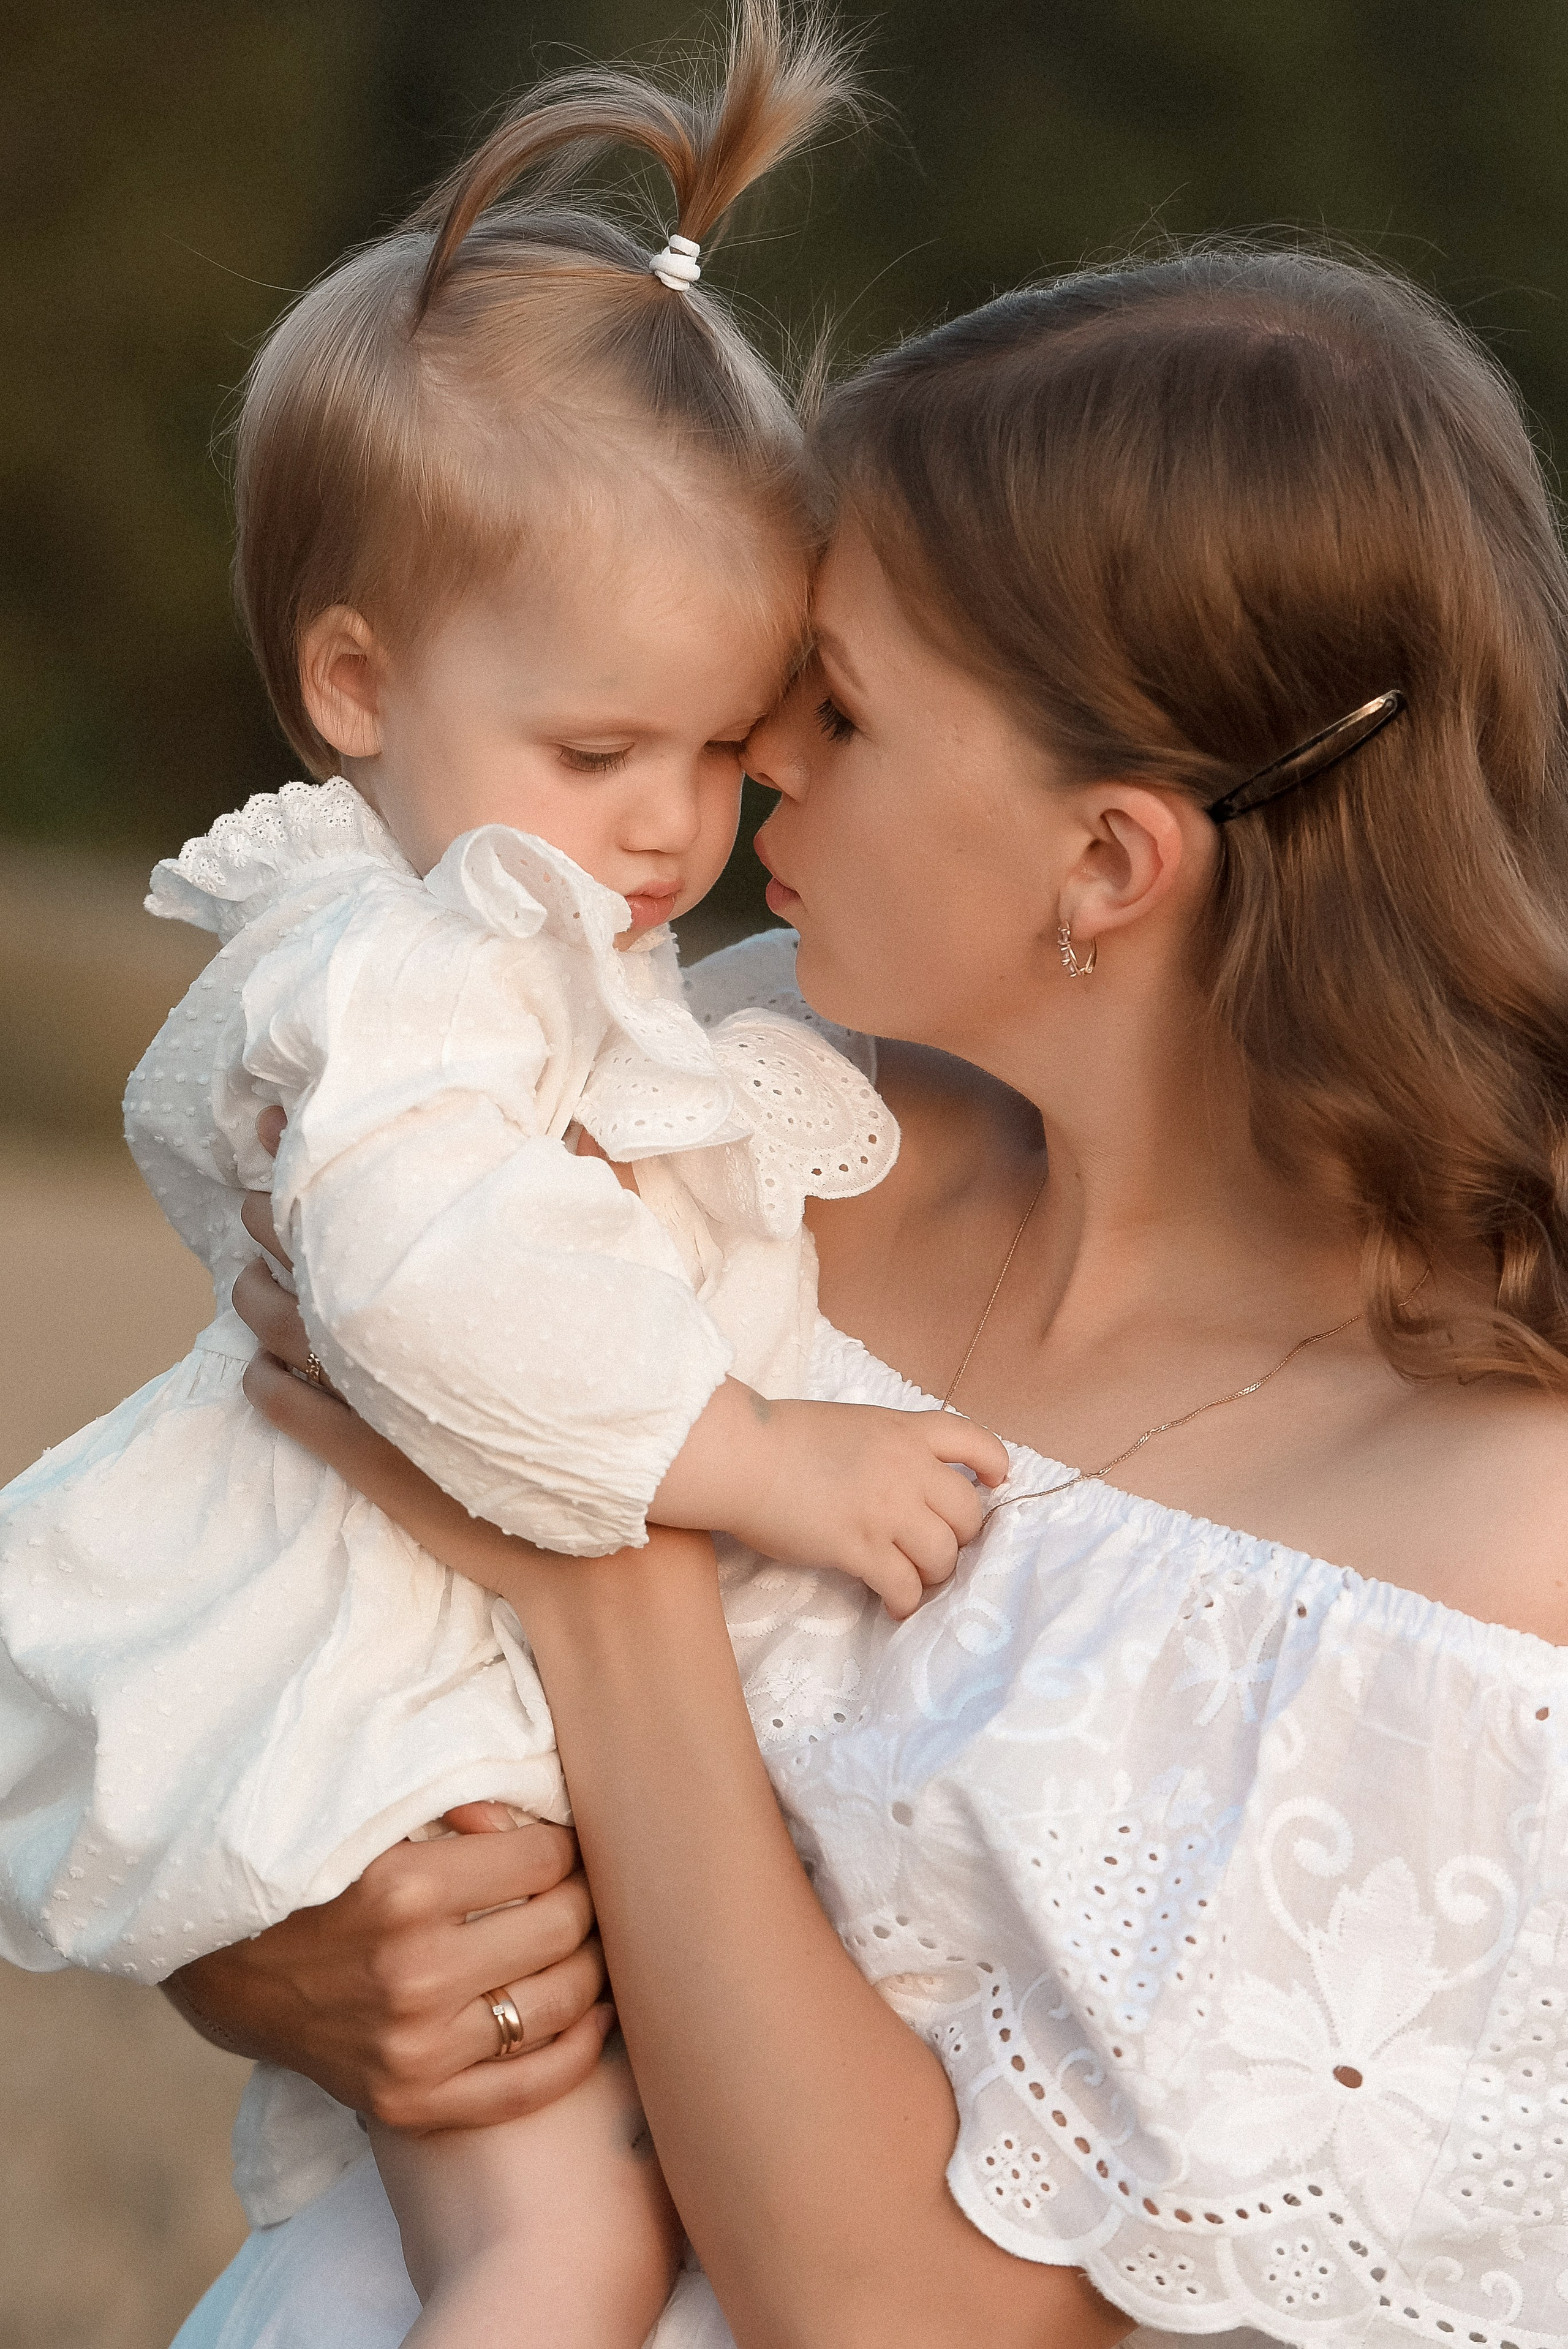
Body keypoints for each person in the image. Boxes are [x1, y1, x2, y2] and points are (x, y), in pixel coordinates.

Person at [172, 241, 1568, 2348]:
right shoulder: (727, 1102)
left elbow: (909, 2319)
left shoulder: (1480, 1558)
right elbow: (254, 1572)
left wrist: (607, 1558)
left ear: (1107, 864)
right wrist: (280, 1953)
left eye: (835, 704)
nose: (747, 770)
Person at [0, 11, 1011, 2348]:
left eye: (724, 749)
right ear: (356, 679)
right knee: (555, 2247)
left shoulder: (533, 939)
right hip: (389, 1703)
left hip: (455, 1672)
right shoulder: (400, 975)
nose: (676, 827)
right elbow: (435, 1279)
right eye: (599, 748)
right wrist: (765, 1459)